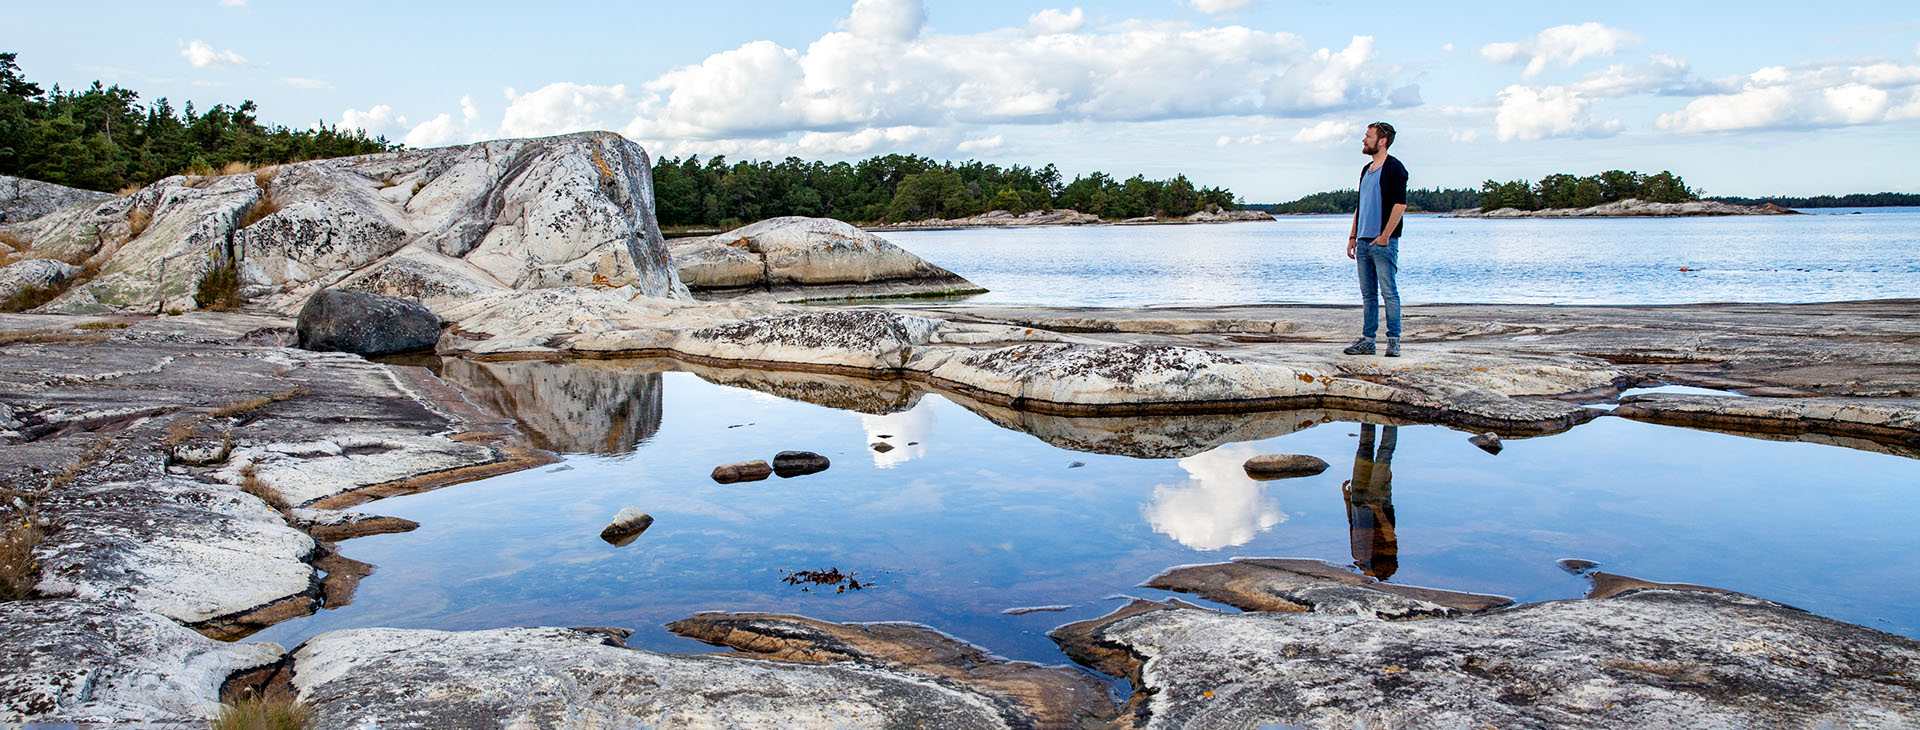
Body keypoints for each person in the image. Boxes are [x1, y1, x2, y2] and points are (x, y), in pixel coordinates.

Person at [1344, 122, 1407, 357]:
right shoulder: (1366, 170)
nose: (1364, 140)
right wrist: (1353, 236)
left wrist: (1385, 236)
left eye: (1368, 136)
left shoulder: (1394, 168)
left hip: (1382, 243)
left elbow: (1400, 205)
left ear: (1382, 140)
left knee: (1388, 291)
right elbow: (1360, 206)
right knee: (1368, 293)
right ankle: (1368, 340)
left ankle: (1393, 341)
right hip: (1362, 241)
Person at [1344, 423, 1398, 579]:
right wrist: (1379, 511)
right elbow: (1390, 536)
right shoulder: (1382, 560)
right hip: (1378, 501)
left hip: (1358, 502)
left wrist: (1347, 500)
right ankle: (1391, 420)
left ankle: (1367, 418)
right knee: (1384, 454)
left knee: (1364, 448)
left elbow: (1353, 526)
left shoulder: (1358, 557)